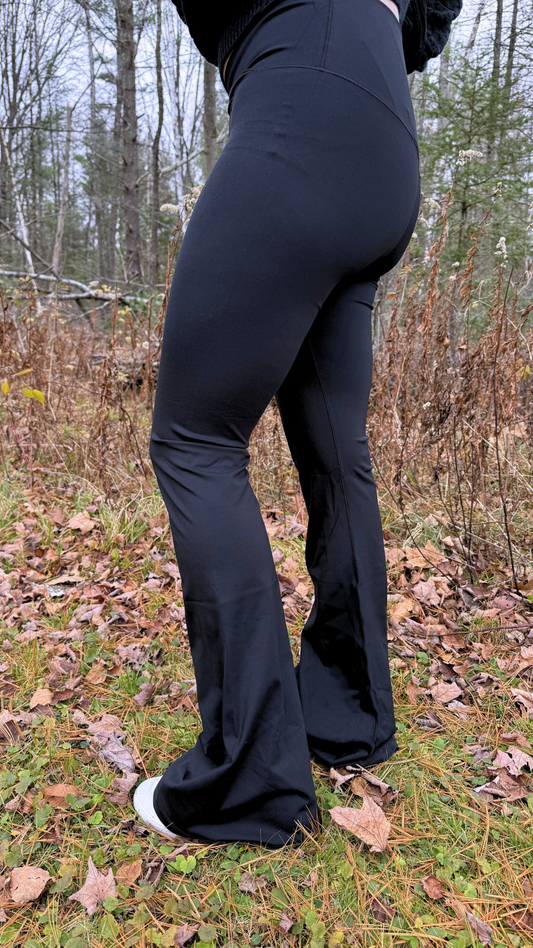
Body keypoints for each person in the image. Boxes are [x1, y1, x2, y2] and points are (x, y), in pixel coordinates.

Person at [133, 0, 463, 848]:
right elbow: (428, 26)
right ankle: (348, 716)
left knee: (195, 441)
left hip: (301, 111)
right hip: (383, 143)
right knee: (334, 449)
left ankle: (247, 788)